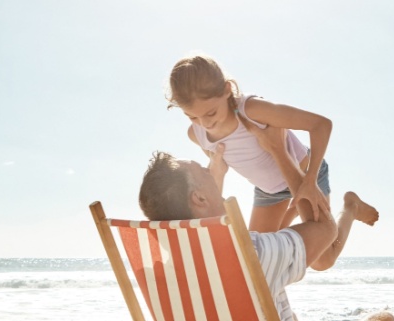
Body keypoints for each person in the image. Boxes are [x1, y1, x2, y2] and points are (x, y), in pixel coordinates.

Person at [137, 120, 377, 321]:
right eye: (205, 170)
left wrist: (216, 177)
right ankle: (349, 207)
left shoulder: (159, 277)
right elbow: (325, 228)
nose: (211, 171)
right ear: (198, 198)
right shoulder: (251, 255)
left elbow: (206, 234)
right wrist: (279, 151)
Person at [166, 53, 378, 233]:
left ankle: (350, 207)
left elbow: (321, 125)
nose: (205, 123)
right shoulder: (197, 134)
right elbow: (219, 169)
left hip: (303, 175)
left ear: (227, 89)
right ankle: (293, 210)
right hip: (269, 191)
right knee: (256, 256)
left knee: (323, 259)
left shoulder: (252, 110)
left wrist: (310, 180)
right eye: (192, 117)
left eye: (211, 112)